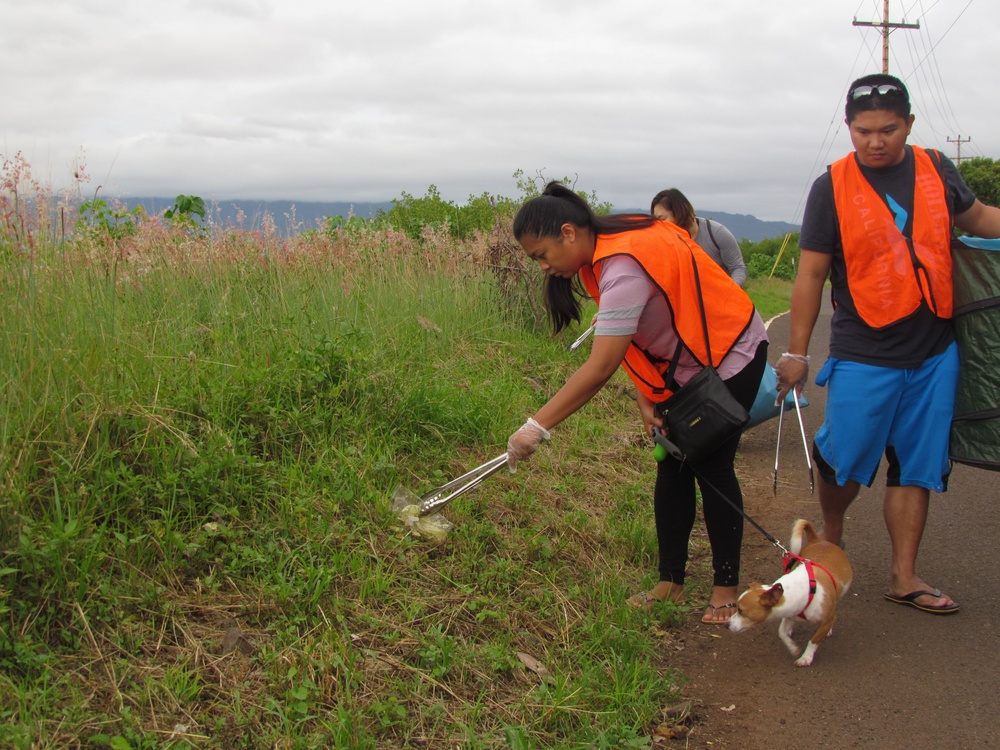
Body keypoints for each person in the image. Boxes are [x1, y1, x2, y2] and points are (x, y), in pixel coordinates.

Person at [775, 73, 1000, 615]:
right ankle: (833, 530)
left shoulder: (936, 169)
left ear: (910, 125)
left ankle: (904, 575)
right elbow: (809, 276)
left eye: (888, 130)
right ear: (848, 128)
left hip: (934, 348)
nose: (875, 141)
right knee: (845, 457)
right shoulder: (831, 186)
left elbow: (979, 220)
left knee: (915, 464)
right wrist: (798, 353)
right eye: (863, 130)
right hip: (863, 349)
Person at [506, 181, 769, 623]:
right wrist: (648, 395)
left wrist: (537, 426)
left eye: (541, 255)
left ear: (568, 232)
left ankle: (725, 589)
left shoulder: (622, 264)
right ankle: (669, 583)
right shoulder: (600, 252)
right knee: (672, 463)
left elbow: (600, 366)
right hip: (684, 363)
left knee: (710, 464)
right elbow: (636, 337)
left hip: (730, 353)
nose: (543, 267)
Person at [651, 188, 747, 286]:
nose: (660, 224)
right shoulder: (666, 241)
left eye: (663, 219)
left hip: (721, 295)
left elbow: (737, 267)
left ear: (680, 212)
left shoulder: (716, 232)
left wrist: (732, 291)